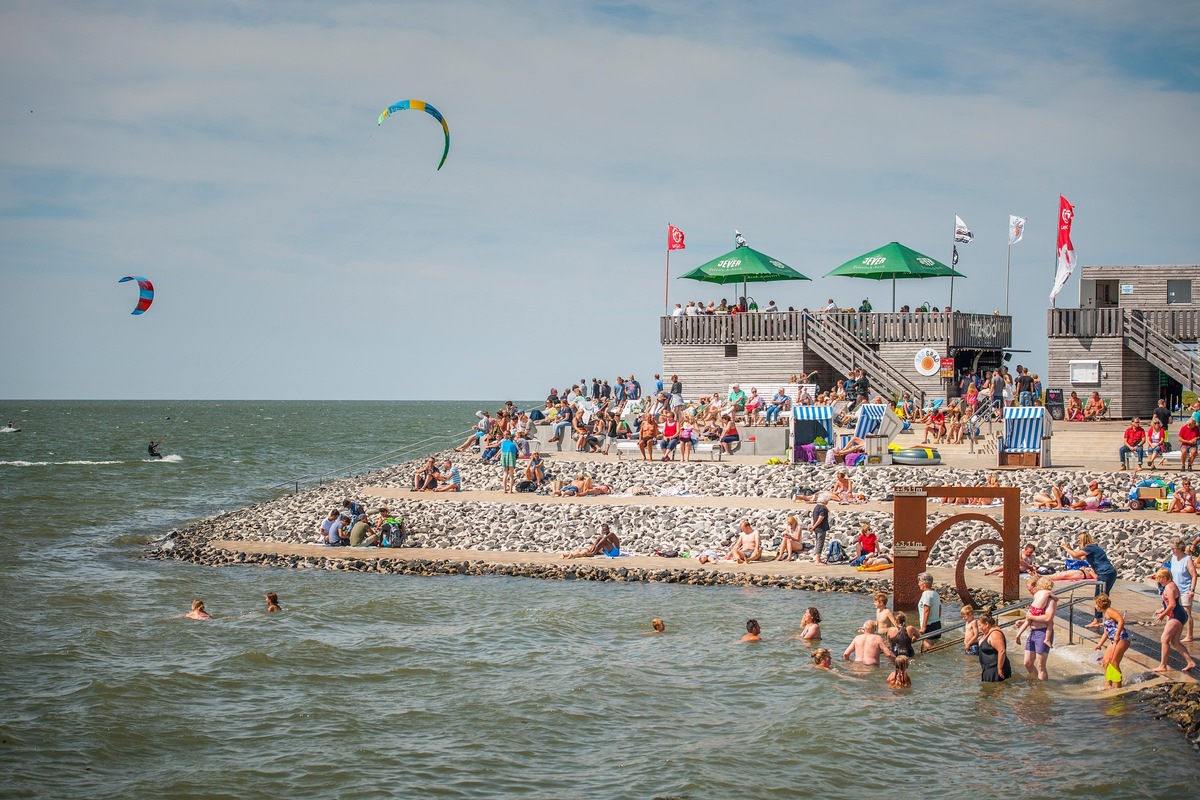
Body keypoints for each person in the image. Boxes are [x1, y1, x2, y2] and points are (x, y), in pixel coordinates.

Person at [1063, 532, 1117, 627]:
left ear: (1083, 540)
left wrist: (1066, 547)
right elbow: (1080, 557)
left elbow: (1076, 555)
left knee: (1099, 597)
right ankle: (1107, 617)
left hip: (1105, 572)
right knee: (1104, 596)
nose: (1078, 542)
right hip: (1109, 572)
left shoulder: (1090, 548)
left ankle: (1097, 620)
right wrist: (1071, 549)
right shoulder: (1094, 548)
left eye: (1079, 540)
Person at [1151, 567, 1197, 672]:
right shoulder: (1171, 585)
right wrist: (1162, 609)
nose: (1158, 581)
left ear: (1165, 578)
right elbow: (1170, 603)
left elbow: (1172, 605)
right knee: (1175, 642)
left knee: (1164, 639)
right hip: (1180, 614)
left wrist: (1163, 615)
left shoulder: (1168, 587)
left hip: (1176, 615)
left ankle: (1163, 665)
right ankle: (1190, 662)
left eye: (1159, 578)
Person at [1015, 576, 1057, 681]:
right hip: (1033, 632)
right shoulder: (1038, 597)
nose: (1030, 591)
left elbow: (1048, 618)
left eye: (1030, 589)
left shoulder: (1050, 599)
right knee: (1027, 663)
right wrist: (1024, 621)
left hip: (1042, 632)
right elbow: (1035, 614)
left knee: (1040, 665)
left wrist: (1030, 617)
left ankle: (1041, 688)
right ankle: (1034, 681)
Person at [1093, 594, 1129, 689]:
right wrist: (1099, 644)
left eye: (1096, 604)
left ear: (1100, 604)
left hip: (1121, 638)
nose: (1095, 607)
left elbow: (1121, 621)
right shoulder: (1105, 614)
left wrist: (1117, 635)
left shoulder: (1110, 611)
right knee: (1105, 662)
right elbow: (1106, 633)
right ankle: (1108, 684)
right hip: (1113, 640)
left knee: (1114, 662)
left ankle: (1118, 686)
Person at [1168, 537, 1198, 642]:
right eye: (1171, 549)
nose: (1172, 551)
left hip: (1185, 589)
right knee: (1172, 611)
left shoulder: (1187, 559)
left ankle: (1189, 635)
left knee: (1186, 613)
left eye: (1174, 549)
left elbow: (1194, 575)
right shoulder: (1173, 558)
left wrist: (1192, 590)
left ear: (1180, 548)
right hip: (1174, 590)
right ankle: (1172, 633)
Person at [977, 612, 1012, 682]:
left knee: (997, 691)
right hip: (988, 669)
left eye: (980, 625)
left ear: (987, 624)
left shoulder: (995, 634)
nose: (979, 628)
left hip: (995, 669)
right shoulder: (987, 633)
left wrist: (999, 668)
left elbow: (1002, 651)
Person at [916, 572, 941, 651]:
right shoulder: (935, 593)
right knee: (935, 648)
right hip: (937, 623)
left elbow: (927, 610)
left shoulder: (926, 594)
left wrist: (923, 627)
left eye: (919, 581)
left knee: (928, 649)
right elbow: (940, 608)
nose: (918, 584)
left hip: (929, 625)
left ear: (924, 583)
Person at [809, 493, 831, 563]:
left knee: (818, 542)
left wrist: (812, 526)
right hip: (821, 528)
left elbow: (812, 517)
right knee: (820, 543)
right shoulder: (823, 509)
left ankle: (818, 559)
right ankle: (817, 560)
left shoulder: (817, 507)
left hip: (816, 528)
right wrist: (814, 526)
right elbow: (820, 518)